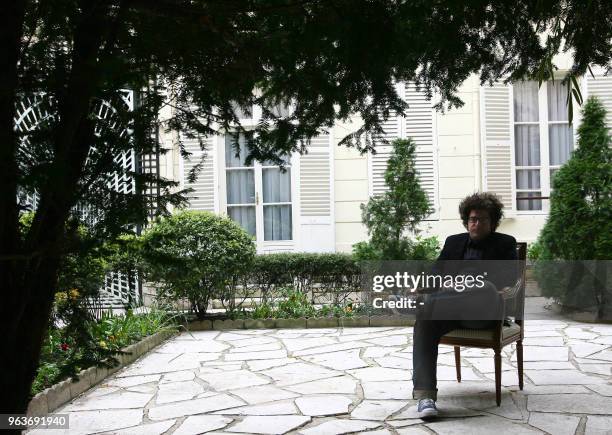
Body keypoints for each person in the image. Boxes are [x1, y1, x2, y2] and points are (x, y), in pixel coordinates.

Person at [412, 192, 517, 418]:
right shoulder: (453, 242)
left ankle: (431, 303)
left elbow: (508, 279)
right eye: (472, 219)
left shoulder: (504, 244)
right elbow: (435, 275)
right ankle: (426, 397)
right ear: (466, 220)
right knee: (425, 321)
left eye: (482, 219)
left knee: (484, 287)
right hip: (450, 311)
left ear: (493, 223)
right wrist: (421, 287)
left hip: (483, 311)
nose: (476, 223)